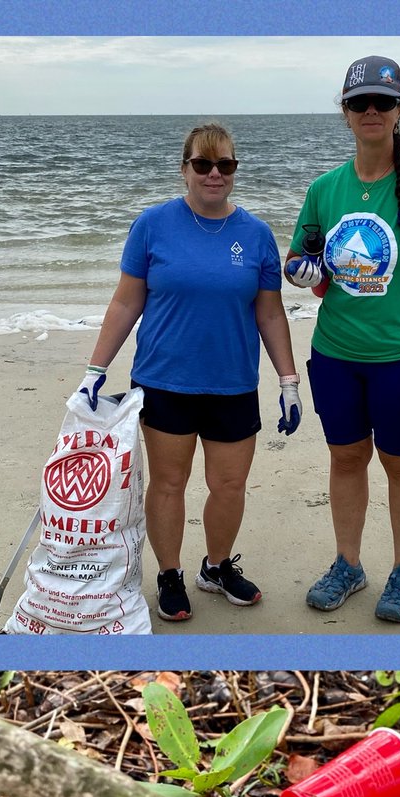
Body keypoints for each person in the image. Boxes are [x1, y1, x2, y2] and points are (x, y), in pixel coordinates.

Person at [76, 122, 301, 622]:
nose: (214, 174)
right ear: (185, 169)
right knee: (169, 483)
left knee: (229, 486)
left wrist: (288, 381)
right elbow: (125, 300)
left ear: (235, 171)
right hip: (163, 380)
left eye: (225, 165)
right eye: (203, 164)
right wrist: (96, 368)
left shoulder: (257, 235)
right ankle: (169, 573)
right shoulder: (152, 225)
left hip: (233, 383)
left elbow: (269, 313)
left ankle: (216, 567)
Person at [286, 56, 400, 622]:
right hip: (335, 355)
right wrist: (302, 272)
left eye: (383, 102)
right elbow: (300, 259)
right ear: (345, 112)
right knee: (345, 458)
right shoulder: (324, 188)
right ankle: (348, 564)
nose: (371, 112)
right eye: (360, 102)